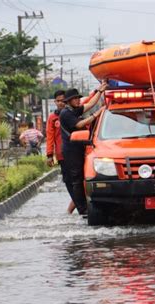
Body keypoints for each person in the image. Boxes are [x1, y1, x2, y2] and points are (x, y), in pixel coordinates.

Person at [59, 82, 108, 215]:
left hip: (79, 147)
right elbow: (80, 124)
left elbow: (90, 104)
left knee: (83, 178)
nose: (78, 100)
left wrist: (100, 90)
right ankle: (82, 208)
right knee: (77, 179)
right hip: (71, 150)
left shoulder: (74, 110)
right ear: (69, 101)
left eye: (78, 98)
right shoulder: (65, 113)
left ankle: (85, 205)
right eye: (75, 98)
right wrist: (96, 115)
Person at [46, 90, 76, 214]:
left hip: (76, 153)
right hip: (62, 155)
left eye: (63, 101)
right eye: (58, 101)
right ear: (55, 102)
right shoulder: (52, 118)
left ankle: (75, 207)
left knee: (79, 182)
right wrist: (49, 155)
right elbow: (50, 136)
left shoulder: (72, 114)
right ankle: (75, 207)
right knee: (68, 181)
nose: (61, 103)